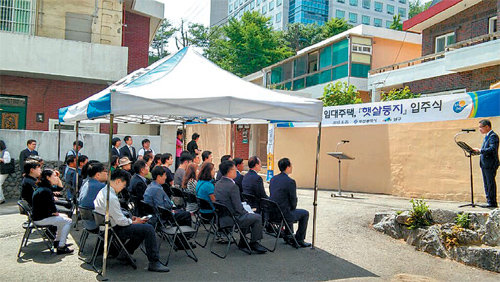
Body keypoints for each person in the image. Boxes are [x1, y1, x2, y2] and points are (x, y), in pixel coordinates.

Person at [93, 169, 170, 272]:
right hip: (114, 228)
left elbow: (116, 215)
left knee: (142, 228)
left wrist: (130, 219)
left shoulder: (104, 191)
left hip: (108, 226)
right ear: (118, 181)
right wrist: (132, 221)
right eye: (123, 185)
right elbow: (120, 221)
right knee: (148, 229)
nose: (122, 188)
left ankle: (124, 254)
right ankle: (154, 262)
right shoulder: (111, 197)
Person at [215, 160, 267, 254]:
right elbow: (238, 209)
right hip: (232, 218)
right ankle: (254, 242)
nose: (236, 171)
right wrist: (248, 212)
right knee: (256, 217)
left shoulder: (218, 183)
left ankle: (243, 242)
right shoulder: (232, 186)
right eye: (234, 170)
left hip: (221, 217)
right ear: (230, 171)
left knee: (248, 215)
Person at [269, 158, 311, 248]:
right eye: (291, 165)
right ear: (287, 167)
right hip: (283, 215)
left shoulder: (273, 179)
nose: (292, 167)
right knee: (304, 213)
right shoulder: (290, 182)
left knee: (287, 208)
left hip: (272, 213)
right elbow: (293, 200)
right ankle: (299, 239)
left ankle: (288, 235)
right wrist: (293, 207)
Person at [32, 169, 74, 254]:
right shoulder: (46, 190)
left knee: (65, 218)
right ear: (48, 177)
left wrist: (57, 178)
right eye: (54, 176)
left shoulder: (44, 187)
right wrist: (57, 214)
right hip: (41, 219)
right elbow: (53, 210)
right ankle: (61, 246)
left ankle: (58, 241)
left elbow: (60, 188)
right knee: (68, 221)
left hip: (40, 216)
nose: (57, 178)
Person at [474, 119, 499, 208]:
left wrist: (480, 150)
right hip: (485, 164)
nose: (480, 129)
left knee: (490, 183)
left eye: (481, 127)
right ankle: (489, 200)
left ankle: (492, 202)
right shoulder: (487, 136)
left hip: (490, 164)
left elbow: (492, 149)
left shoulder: (493, 136)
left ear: (487, 127)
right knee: (486, 183)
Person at [0, 140, 12, 204]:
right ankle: (1, 198)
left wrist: (1, 159)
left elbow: (7, 161)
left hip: (3, 171)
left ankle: (1, 199)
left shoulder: (5, 152)